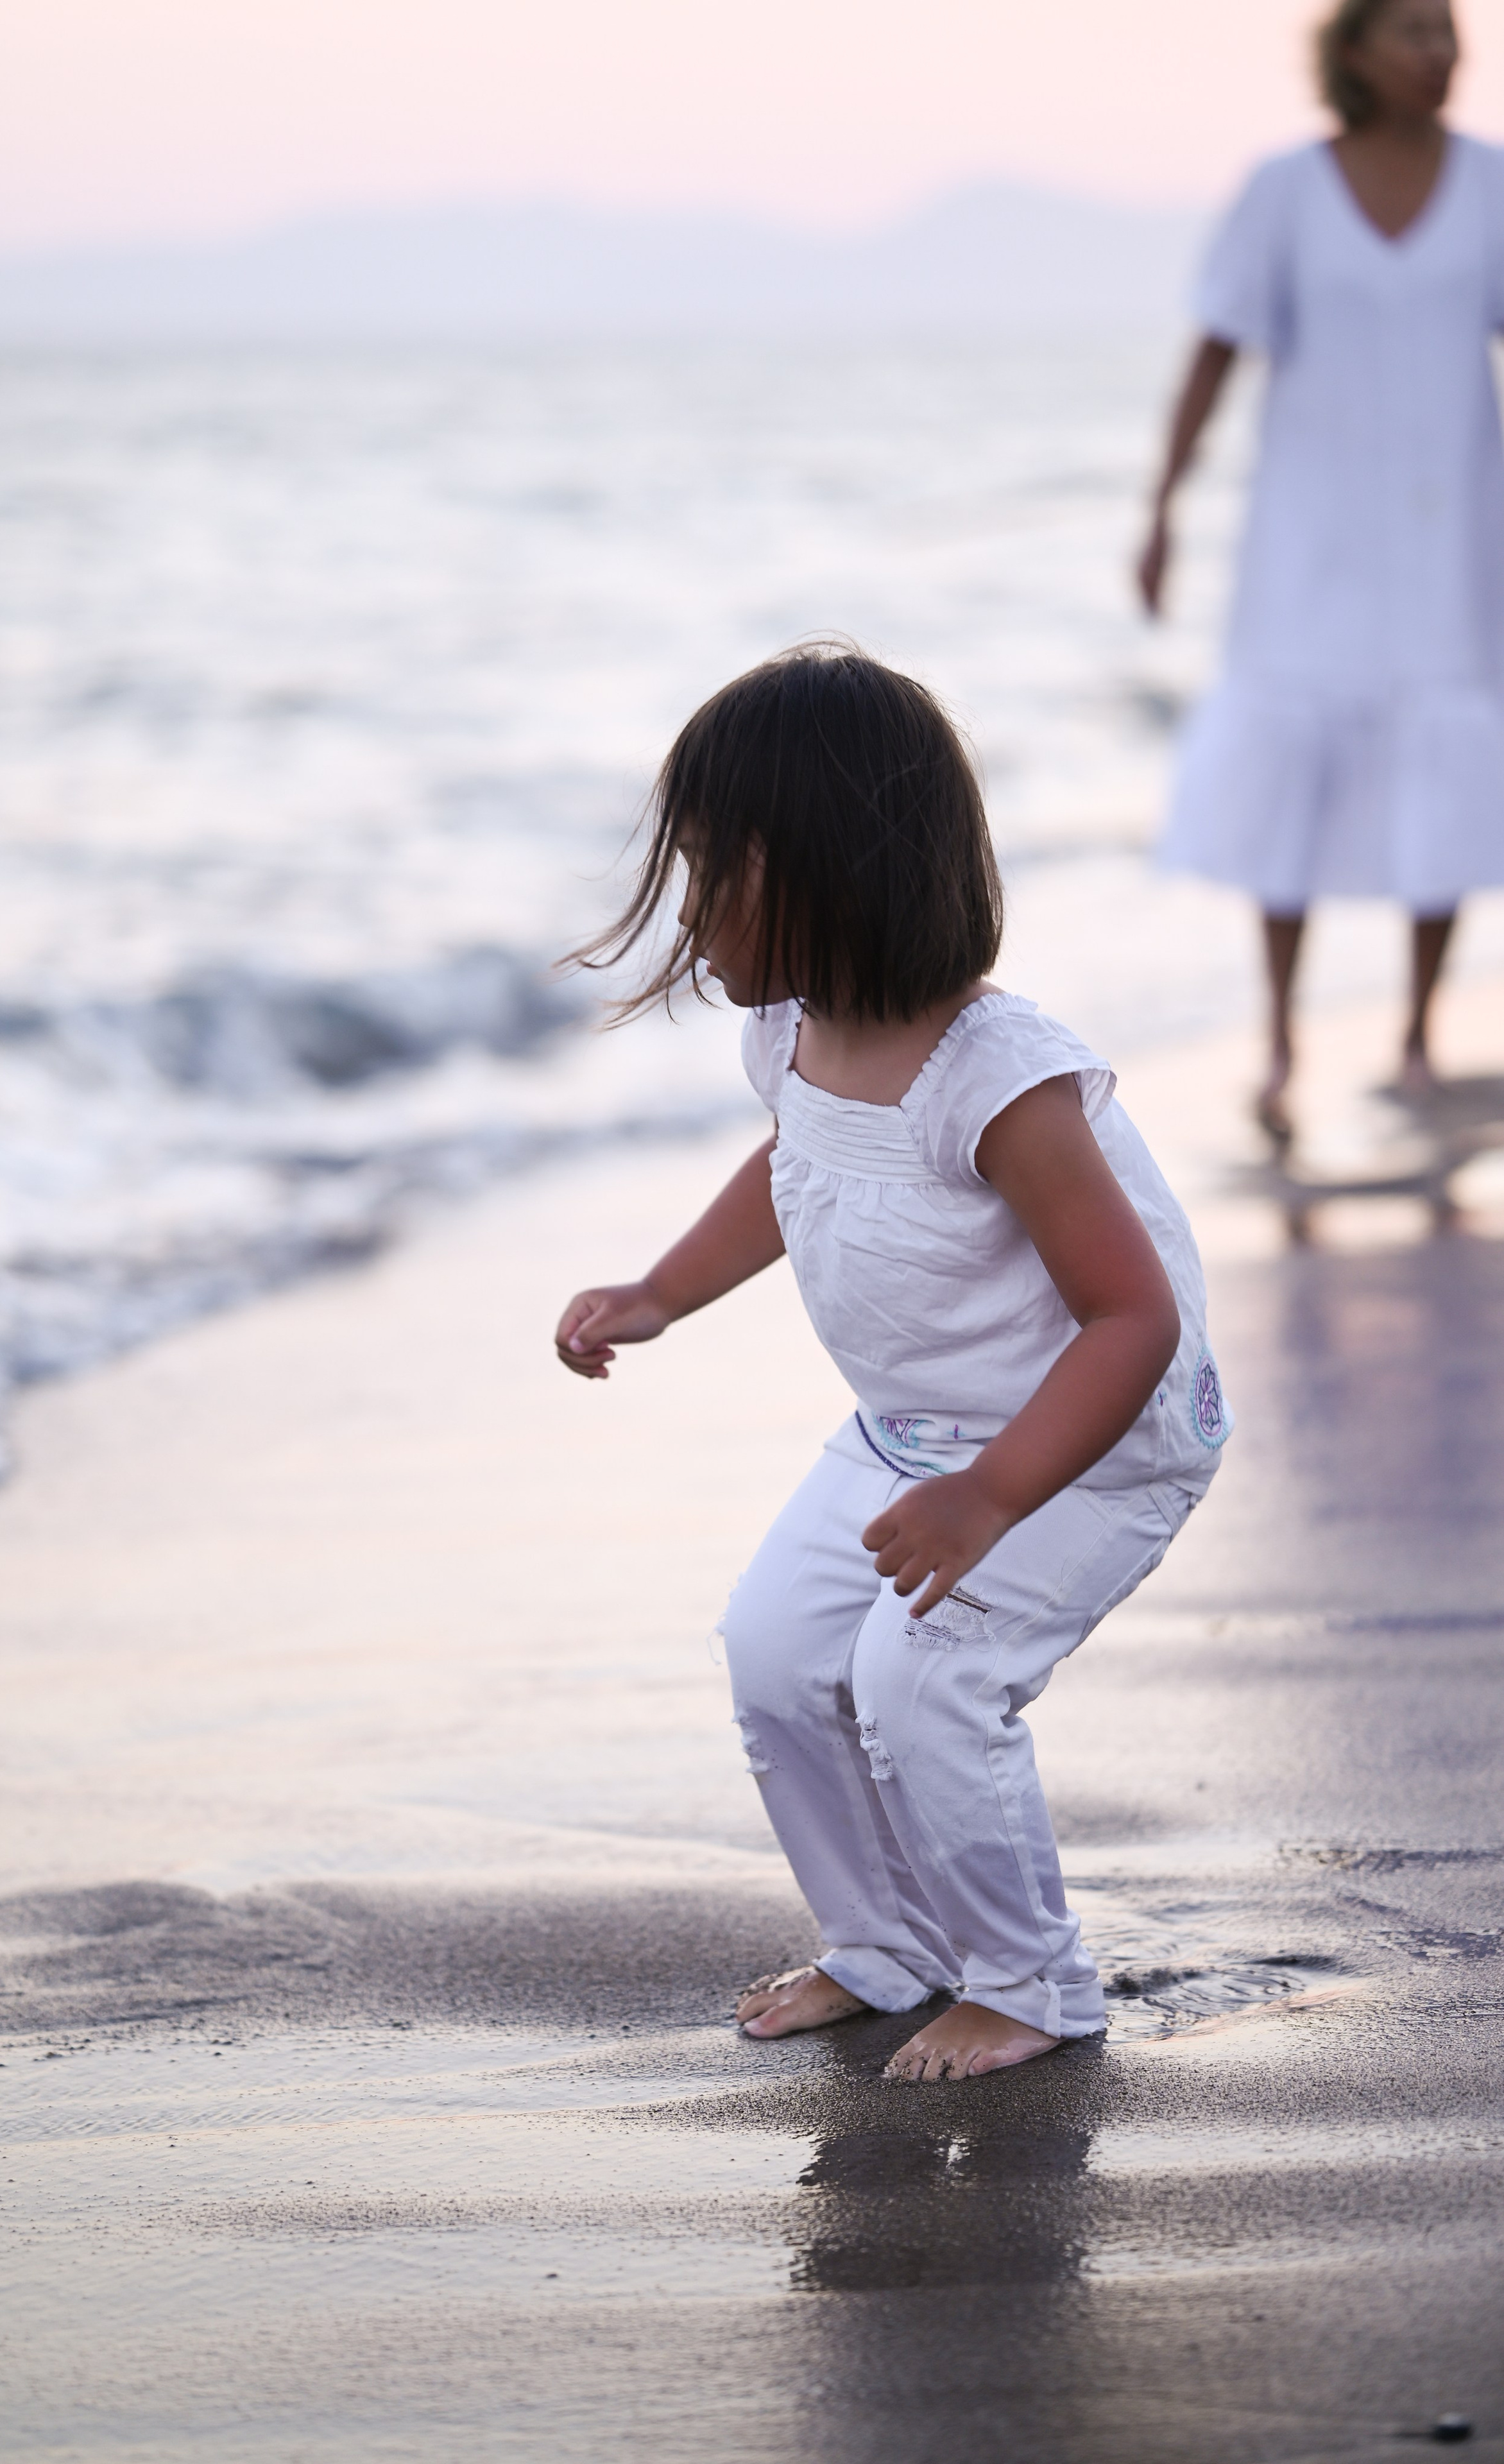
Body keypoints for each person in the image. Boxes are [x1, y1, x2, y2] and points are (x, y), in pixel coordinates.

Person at [554, 647, 1231, 2082]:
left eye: (706, 872)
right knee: (779, 1656)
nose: (685, 912)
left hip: (1088, 1440)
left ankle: (1027, 1984)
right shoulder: (787, 1033)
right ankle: (887, 1949)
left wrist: (991, 1497)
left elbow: (1132, 1318)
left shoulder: (1000, 1079)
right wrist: (663, 1291)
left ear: (817, 873)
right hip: (911, 1434)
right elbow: (792, 1169)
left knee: (925, 1682)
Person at [1138, 0, 1504, 1138]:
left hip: (1451, 529)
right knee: (1291, 769)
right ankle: (1281, 1038)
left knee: (1443, 769)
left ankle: (1416, 1035)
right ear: (1350, 53)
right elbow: (1216, 346)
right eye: (1409, 31)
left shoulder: (1494, 186)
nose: (1438, 51)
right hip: (1310, 534)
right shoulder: (1285, 190)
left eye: (1448, 30)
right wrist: (1163, 503)